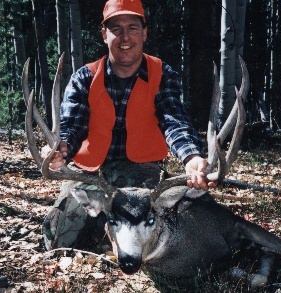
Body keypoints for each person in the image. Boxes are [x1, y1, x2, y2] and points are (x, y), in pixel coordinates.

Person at [42, 0, 214, 250]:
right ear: (104, 34)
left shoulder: (161, 74)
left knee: (161, 234)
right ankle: (102, 229)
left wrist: (191, 157)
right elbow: (72, 127)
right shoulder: (84, 77)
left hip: (141, 174)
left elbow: (173, 120)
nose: (125, 37)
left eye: (132, 28)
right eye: (116, 29)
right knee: (57, 239)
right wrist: (61, 150)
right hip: (92, 172)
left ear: (144, 32)